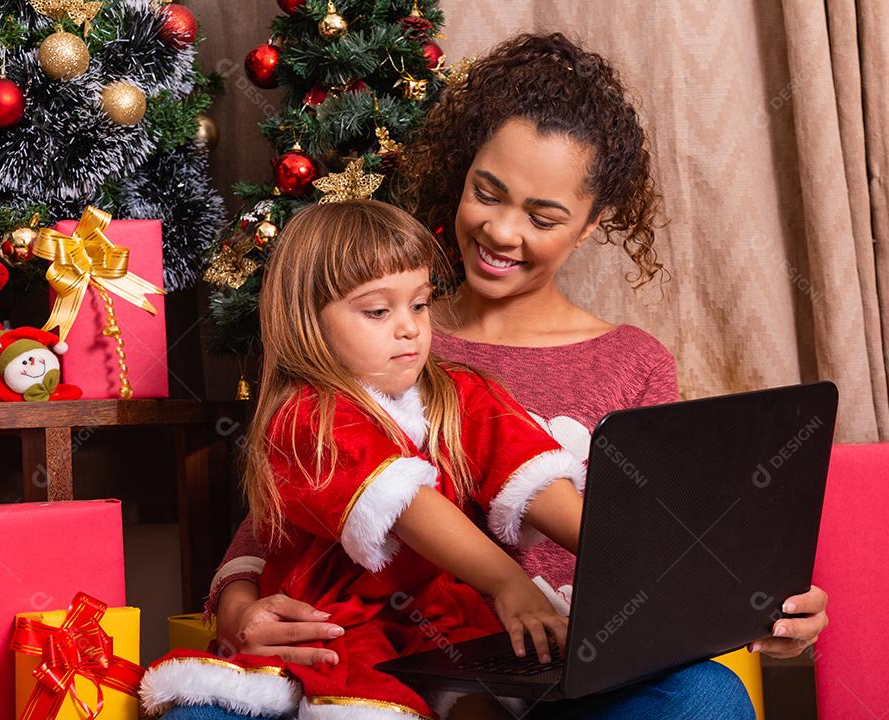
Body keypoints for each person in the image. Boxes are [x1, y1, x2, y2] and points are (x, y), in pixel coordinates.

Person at [205, 33, 827, 719]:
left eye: (542, 215)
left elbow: (652, 541)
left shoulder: (632, 364)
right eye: (488, 192)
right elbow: (276, 521)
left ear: (590, 225)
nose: (502, 232)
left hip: (555, 673)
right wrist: (241, 613)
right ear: (462, 172)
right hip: (381, 656)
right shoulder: (366, 338)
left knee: (706, 696)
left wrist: (750, 595)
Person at [141, 200, 589, 719]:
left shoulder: (459, 393)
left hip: (442, 619)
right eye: (379, 311)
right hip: (339, 626)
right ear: (309, 322)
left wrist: (620, 549)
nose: (409, 328)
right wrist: (508, 583)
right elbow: (406, 504)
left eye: (419, 305)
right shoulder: (307, 417)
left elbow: (531, 470)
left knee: (489, 701)